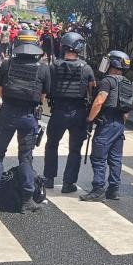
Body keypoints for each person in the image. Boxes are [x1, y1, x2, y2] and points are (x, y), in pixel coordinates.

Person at [0, 30, 50, 214]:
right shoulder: (43, 68)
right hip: (29, 117)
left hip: (8, 114)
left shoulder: (7, 64)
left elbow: (0, 91)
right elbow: (43, 96)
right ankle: (27, 200)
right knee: (25, 157)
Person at [43, 32, 96, 193]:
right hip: (79, 113)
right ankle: (68, 183)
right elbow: (92, 88)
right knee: (75, 149)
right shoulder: (86, 68)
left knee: (52, 145)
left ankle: (49, 179)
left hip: (58, 111)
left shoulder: (53, 66)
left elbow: (47, 88)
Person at [81, 50, 133, 201]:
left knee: (98, 157)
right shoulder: (127, 83)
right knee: (115, 158)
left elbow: (99, 101)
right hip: (119, 123)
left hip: (107, 123)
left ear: (113, 64)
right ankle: (114, 190)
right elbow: (126, 109)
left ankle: (98, 189)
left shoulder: (107, 81)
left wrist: (90, 119)